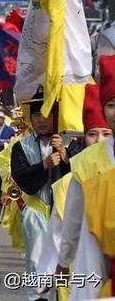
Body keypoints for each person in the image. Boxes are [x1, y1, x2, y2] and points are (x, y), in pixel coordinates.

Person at [36, 83, 112, 299]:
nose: (99, 141)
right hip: (90, 261)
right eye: (92, 134)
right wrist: (56, 267)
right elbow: (61, 231)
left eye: (105, 134)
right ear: (82, 138)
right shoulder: (73, 177)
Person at [55, 55, 115, 299]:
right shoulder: (85, 164)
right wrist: (63, 261)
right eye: (112, 104)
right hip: (97, 255)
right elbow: (72, 221)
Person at [11, 90, 72, 301]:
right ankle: (37, 298)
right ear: (31, 118)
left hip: (65, 210)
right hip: (37, 210)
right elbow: (20, 177)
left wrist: (65, 156)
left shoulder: (69, 143)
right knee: (35, 261)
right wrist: (44, 165)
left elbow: (79, 174)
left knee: (67, 260)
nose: (42, 119)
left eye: (46, 114)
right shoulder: (21, 146)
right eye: (37, 115)